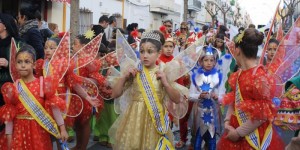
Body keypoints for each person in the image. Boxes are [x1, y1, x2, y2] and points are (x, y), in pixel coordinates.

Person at [108, 31, 189, 149]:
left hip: (155, 121)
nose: (145, 55)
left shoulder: (163, 71)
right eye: (142, 51)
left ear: (158, 53)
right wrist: (124, 77)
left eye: (150, 52)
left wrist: (166, 83)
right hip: (134, 121)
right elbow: (115, 94)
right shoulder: (134, 71)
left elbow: (177, 99)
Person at [217, 28, 285, 150]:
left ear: (237, 51)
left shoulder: (260, 77)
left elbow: (263, 114)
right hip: (234, 130)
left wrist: (238, 133)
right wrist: (227, 123)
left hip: (252, 137)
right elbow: (234, 99)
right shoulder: (238, 73)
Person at [0, 44, 68, 149]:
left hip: (39, 131)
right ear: (15, 65)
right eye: (19, 62)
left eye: (27, 62)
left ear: (34, 65)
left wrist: (62, 129)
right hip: (19, 133)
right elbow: (10, 114)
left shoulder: (42, 84)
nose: (23, 65)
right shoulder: (13, 88)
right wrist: (9, 136)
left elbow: (54, 107)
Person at [66, 34, 107, 150]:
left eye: (75, 44)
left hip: (86, 95)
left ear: (83, 46)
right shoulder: (73, 58)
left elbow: (95, 76)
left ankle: (83, 147)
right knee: (77, 123)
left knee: (84, 122)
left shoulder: (89, 59)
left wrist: (84, 56)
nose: (73, 46)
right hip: (74, 95)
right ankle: (78, 145)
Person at [189, 45, 221, 150]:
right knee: (197, 141)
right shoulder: (196, 77)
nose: (209, 63)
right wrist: (199, 95)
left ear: (215, 62)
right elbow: (190, 95)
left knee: (212, 140)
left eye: (212, 60)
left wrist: (217, 97)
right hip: (199, 114)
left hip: (213, 113)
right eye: (206, 60)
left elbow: (223, 95)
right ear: (200, 61)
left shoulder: (217, 77)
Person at [0, 13, 24, 148]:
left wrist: (9, 63)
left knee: (9, 122)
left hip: (11, 87)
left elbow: (26, 63)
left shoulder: (18, 43)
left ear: (5, 25)